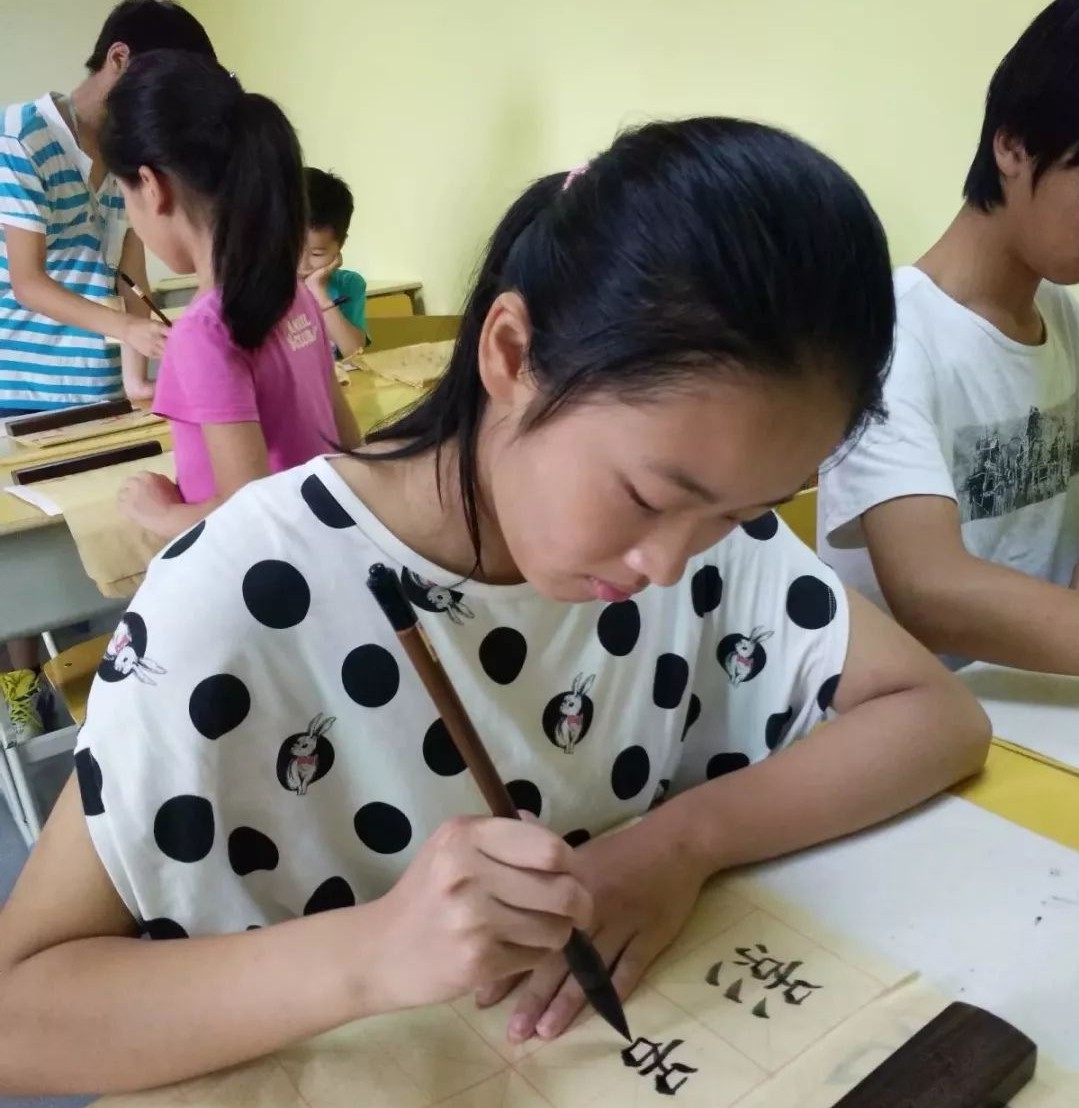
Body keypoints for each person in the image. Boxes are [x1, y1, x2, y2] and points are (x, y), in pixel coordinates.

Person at [0, 117, 989, 1096]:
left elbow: (933, 714)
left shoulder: (706, 539)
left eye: (744, 511)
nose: (665, 562)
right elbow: (20, 1014)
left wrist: (674, 845)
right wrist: (375, 953)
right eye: (646, 495)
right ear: (511, 355)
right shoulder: (241, 593)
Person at [819, 0, 1079, 674]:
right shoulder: (889, 336)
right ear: (1013, 144)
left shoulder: (1059, 316)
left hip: (1031, 712)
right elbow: (928, 588)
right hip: (903, 723)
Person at [0, 0, 216, 744]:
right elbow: (27, 282)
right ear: (118, 60)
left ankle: (125, 701)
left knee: (104, 551)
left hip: (98, 389)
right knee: (21, 579)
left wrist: (146, 326)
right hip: (22, 393)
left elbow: (130, 273)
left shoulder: (128, 153)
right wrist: (127, 324)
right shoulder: (21, 136)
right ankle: (22, 704)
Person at [102, 54, 361, 542]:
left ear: (153, 188)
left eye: (125, 197)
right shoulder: (293, 291)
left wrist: (160, 515)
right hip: (324, 548)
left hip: (264, 586)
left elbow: (250, 518)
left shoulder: (204, 333)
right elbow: (349, 449)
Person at [300, 167, 368, 358]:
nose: (302, 265)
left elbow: (355, 353)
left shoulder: (349, 285)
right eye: (290, 249)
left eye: (316, 253)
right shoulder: (266, 289)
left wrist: (319, 292)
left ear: (340, 244)